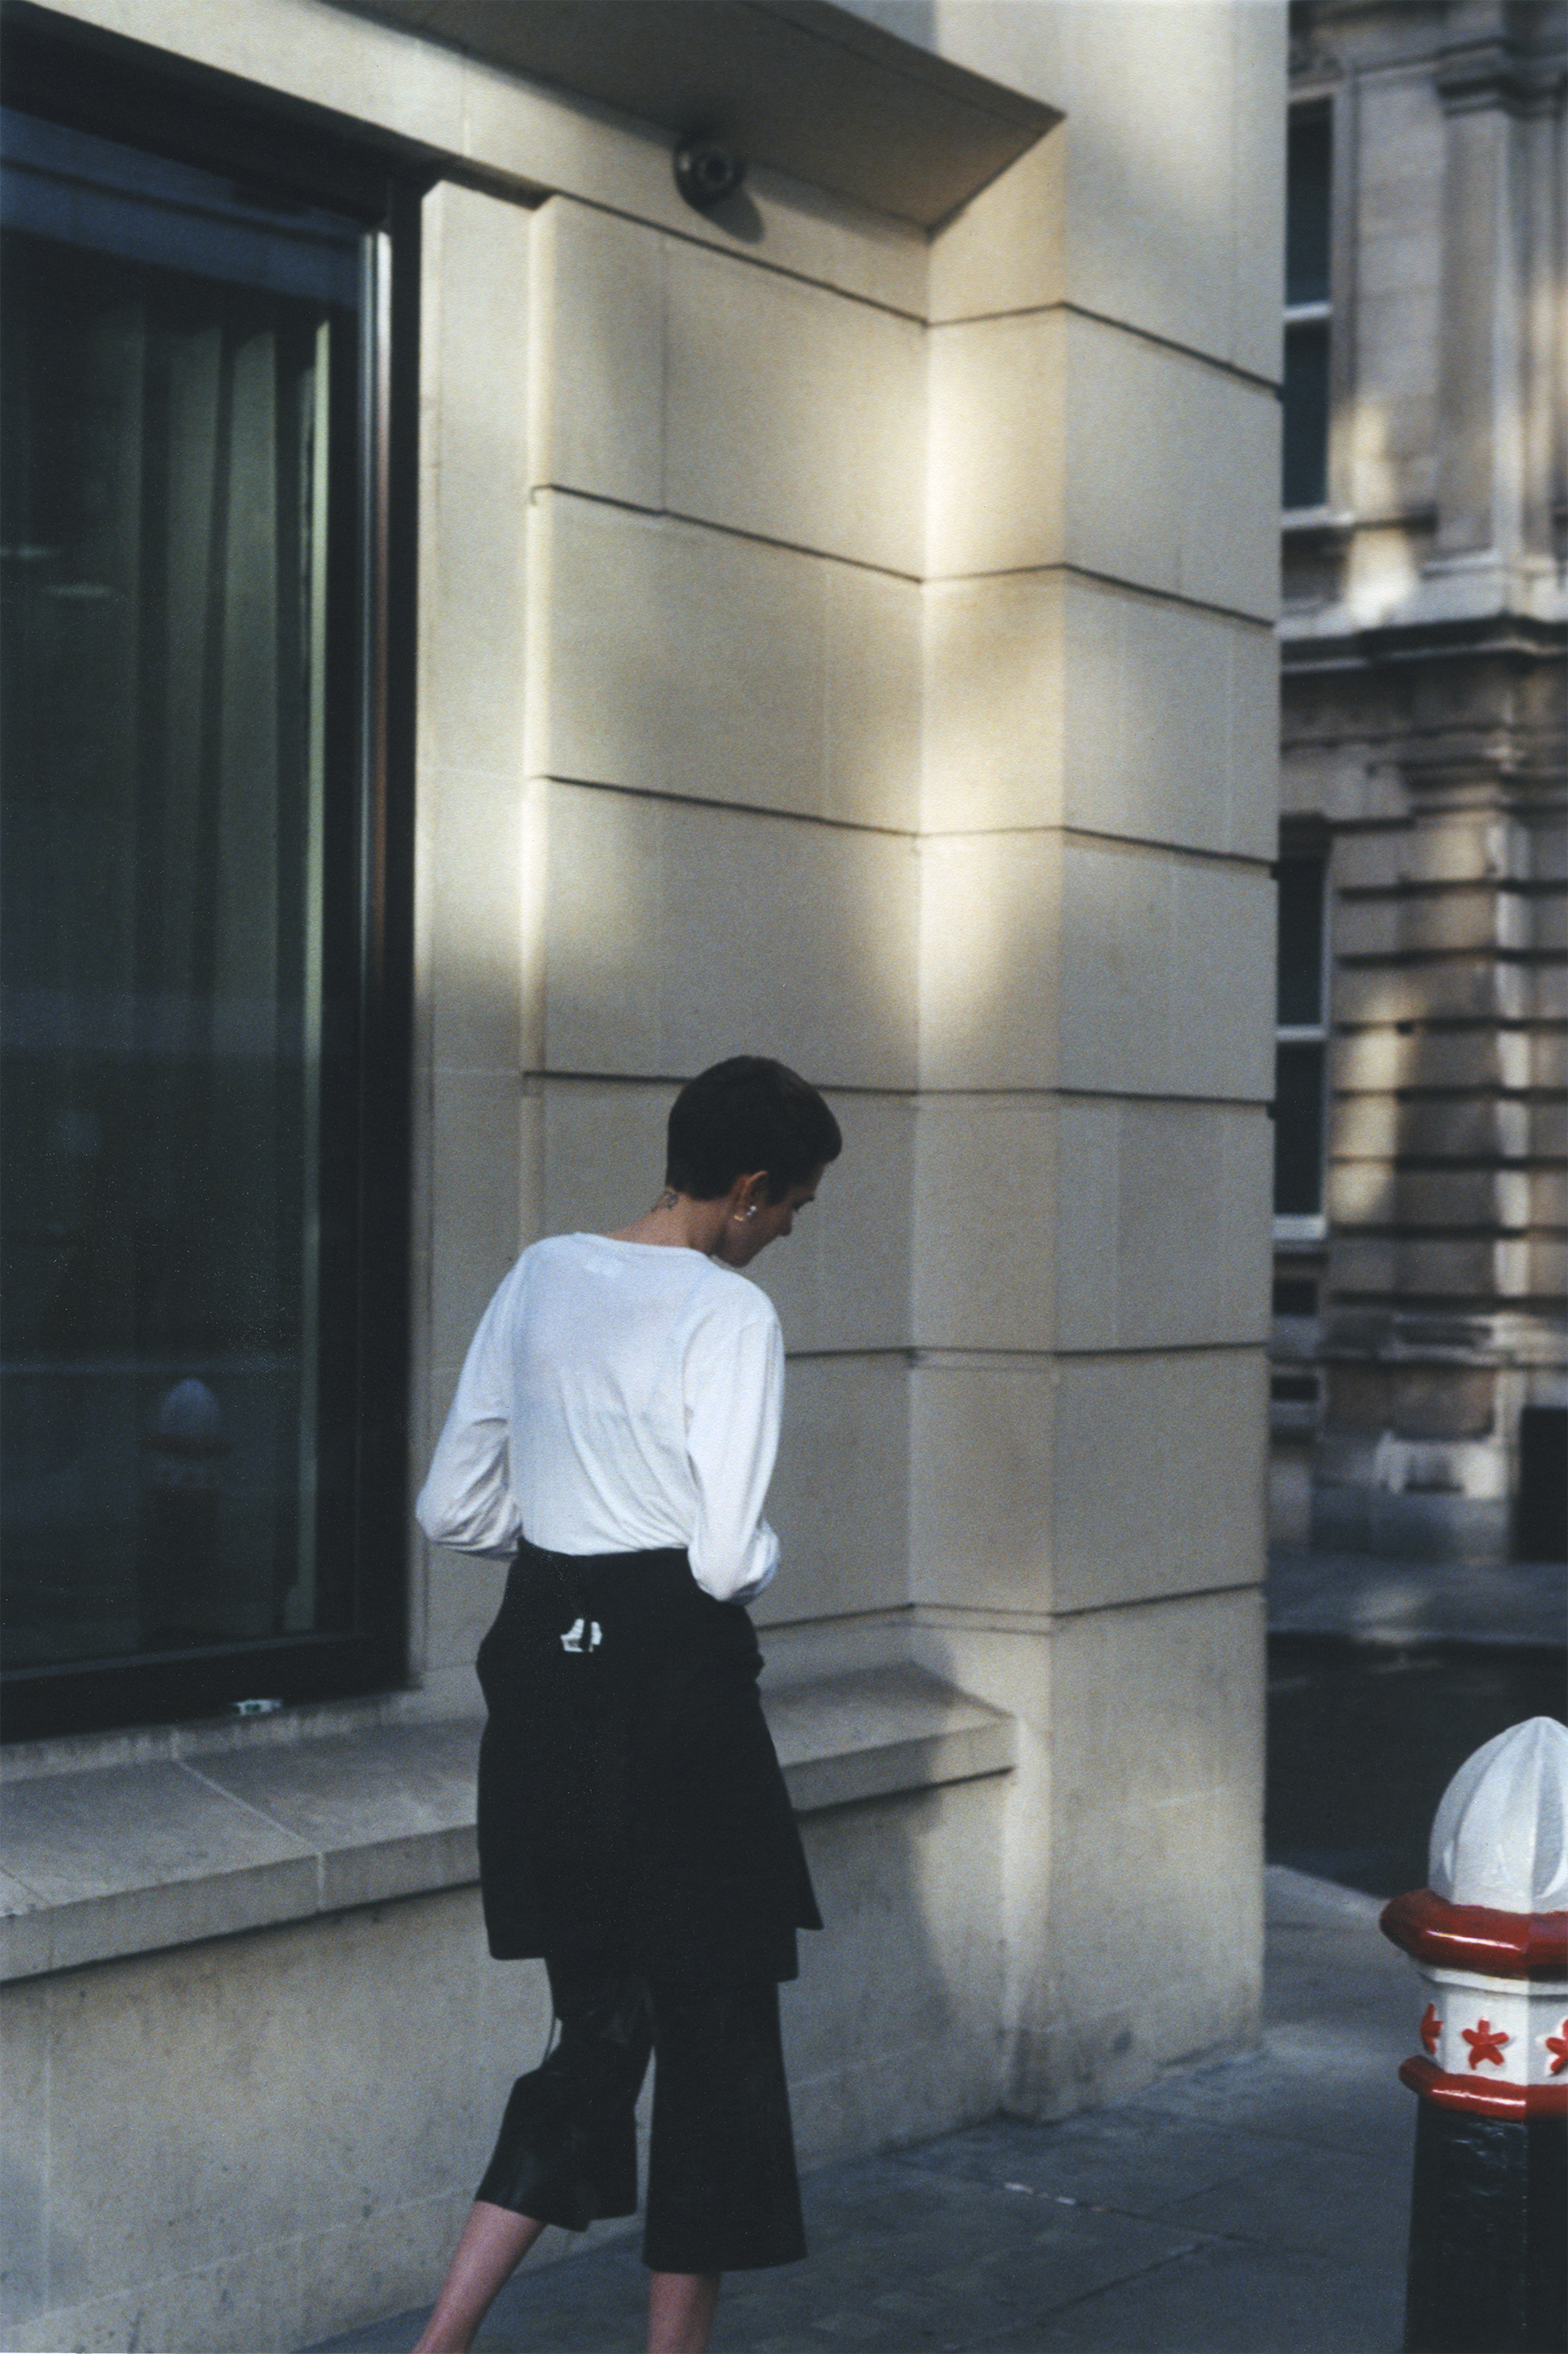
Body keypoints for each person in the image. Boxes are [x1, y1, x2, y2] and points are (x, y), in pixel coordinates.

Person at [411, 1056, 842, 2354]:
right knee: (717, 2050)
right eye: (791, 1212)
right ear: (751, 1188)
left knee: (594, 2033)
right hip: (678, 1707)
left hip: (545, 1689)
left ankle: (439, 2344)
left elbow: (452, 1506)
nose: (781, 1238)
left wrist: (574, 1540)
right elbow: (721, 1560)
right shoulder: (728, 1317)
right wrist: (747, 1557)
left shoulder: (542, 1272)